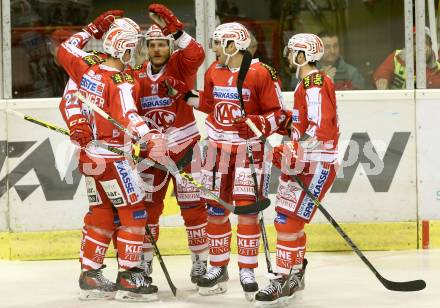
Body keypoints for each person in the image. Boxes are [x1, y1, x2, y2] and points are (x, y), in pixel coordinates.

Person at [167, 22, 284, 299]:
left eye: (219, 43)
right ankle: (218, 267)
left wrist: (257, 122)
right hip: (218, 150)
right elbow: (209, 104)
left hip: (249, 151)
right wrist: (183, 94)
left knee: (246, 211)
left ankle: (247, 269)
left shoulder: (261, 73)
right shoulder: (214, 71)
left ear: (234, 45)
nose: (215, 49)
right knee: (216, 210)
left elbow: (278, 114)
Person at [57, 11, 168, 302]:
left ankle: (90, 274)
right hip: (114, 159)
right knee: (135, 213)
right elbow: (129, 115)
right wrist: (150, 137)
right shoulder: (120, 80)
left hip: (90, 159)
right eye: (133, 47)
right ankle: (130, 277)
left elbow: (65, 49)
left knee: (101, 214)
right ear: (123, 47)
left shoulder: (87, 69)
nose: (136, 52)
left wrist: (91, 28)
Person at [254, 33, 339, 306]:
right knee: (286, 219)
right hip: (304, 162)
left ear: (302, 55)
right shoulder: (306, 83)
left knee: (289, 222)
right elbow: (304, 124)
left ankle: (282, 278)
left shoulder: (314, 81)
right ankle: (294, 274)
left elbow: (319, 129)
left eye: (292, 51)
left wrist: (293, 149)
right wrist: (282, 125)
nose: (289, 55)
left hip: (317, 163)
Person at [129, 3, 208, 286]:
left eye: (162, 43)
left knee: (193, 207)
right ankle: (144, 263)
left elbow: (196, 52)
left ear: (169, 46)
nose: (158, 49)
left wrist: (174, 28)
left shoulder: (180, 65)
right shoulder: (137, 75)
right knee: (148, 208)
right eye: (153, 45)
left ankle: (200, 262)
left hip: (186, 147)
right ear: (146, 47)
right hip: (153, 152)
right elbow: (130, 112)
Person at [373, 27, 440, 89]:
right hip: (397, 100)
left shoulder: (437, 69)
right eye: (415, 43)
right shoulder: (396, 56)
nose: (419, 48)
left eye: (424, 43)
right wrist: (382, 79)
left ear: (430, 46)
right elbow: (381, 74)